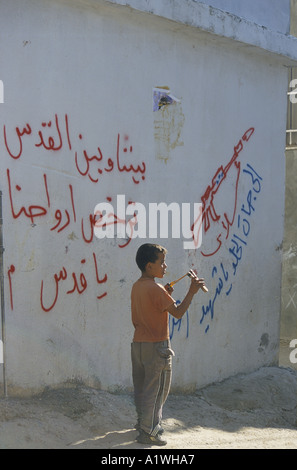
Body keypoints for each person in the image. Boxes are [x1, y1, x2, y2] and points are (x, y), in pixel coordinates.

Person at [130, 243, 205, 446]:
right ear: (149, 266)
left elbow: (153, 305)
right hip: (157, 347)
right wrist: (191, 291)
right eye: (161, 263)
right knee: (157, 392)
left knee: (143, 389)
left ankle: (141, 424)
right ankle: (150, 432)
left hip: (138, 346)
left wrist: (165, 292)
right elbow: (178, 313)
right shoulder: (156, 289)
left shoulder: (139, 285)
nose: (165, 266)